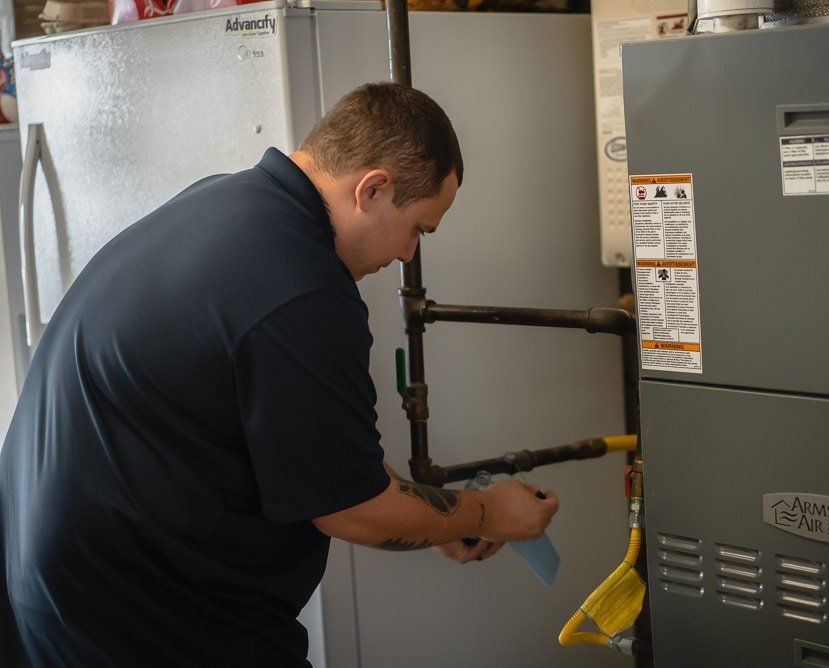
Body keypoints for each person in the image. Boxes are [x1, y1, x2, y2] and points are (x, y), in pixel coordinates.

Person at [0, 82, 559, 667]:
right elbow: (352, 508)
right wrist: (489, 513)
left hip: (61, 578)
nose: (408, 255)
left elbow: (324, 453)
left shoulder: (228, 203)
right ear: (373, 189)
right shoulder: (301, 287)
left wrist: (436, 519)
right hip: (136, 611)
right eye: (419, 228)